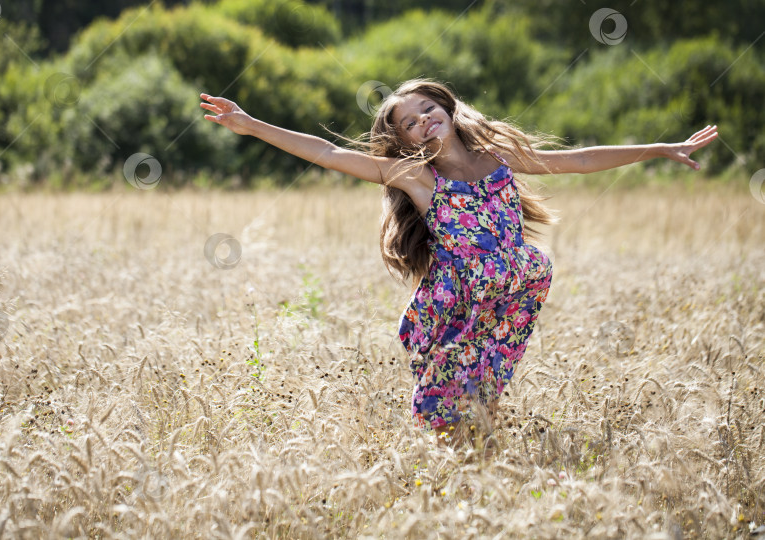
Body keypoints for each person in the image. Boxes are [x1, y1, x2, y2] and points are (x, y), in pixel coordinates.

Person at [200, 78, 718, 449]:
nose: (423, 120)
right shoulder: (414, 177)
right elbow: (329, 153)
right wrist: (252, 125)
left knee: (486, 384)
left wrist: (659, 149)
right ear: (402, 140)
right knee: (445, 398)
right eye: (409, 122)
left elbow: (581, 160)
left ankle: (482, 454)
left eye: (427, 108)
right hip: (457, 301)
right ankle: (461, 466)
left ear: (445, 106)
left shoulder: (499, 157)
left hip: (512, 288)